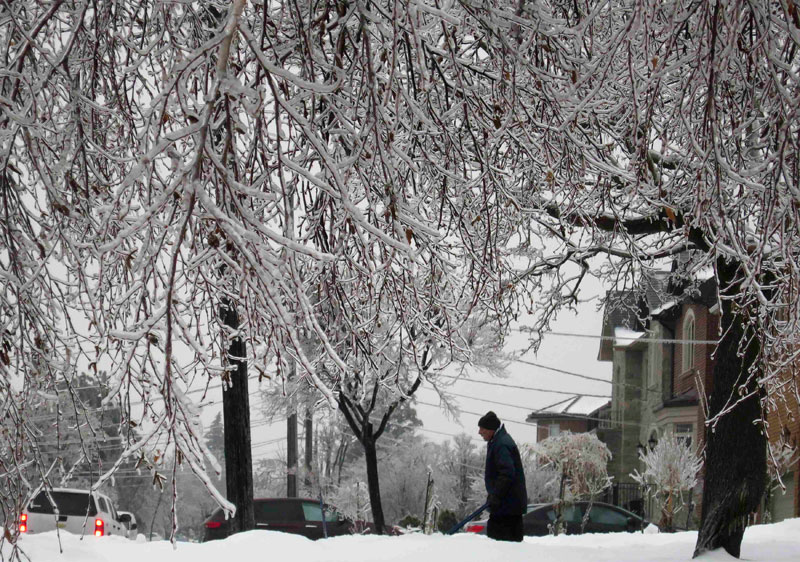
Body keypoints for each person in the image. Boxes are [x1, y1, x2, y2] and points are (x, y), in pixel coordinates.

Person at [478, 410, 527, 542]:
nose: (479, 432)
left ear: (490, 429)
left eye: (482, 428)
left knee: (500, 544)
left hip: (506, 507)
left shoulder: (501, 444)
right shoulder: (498, 441)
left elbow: (507, 473)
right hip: (506, 506)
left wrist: (496, 495)